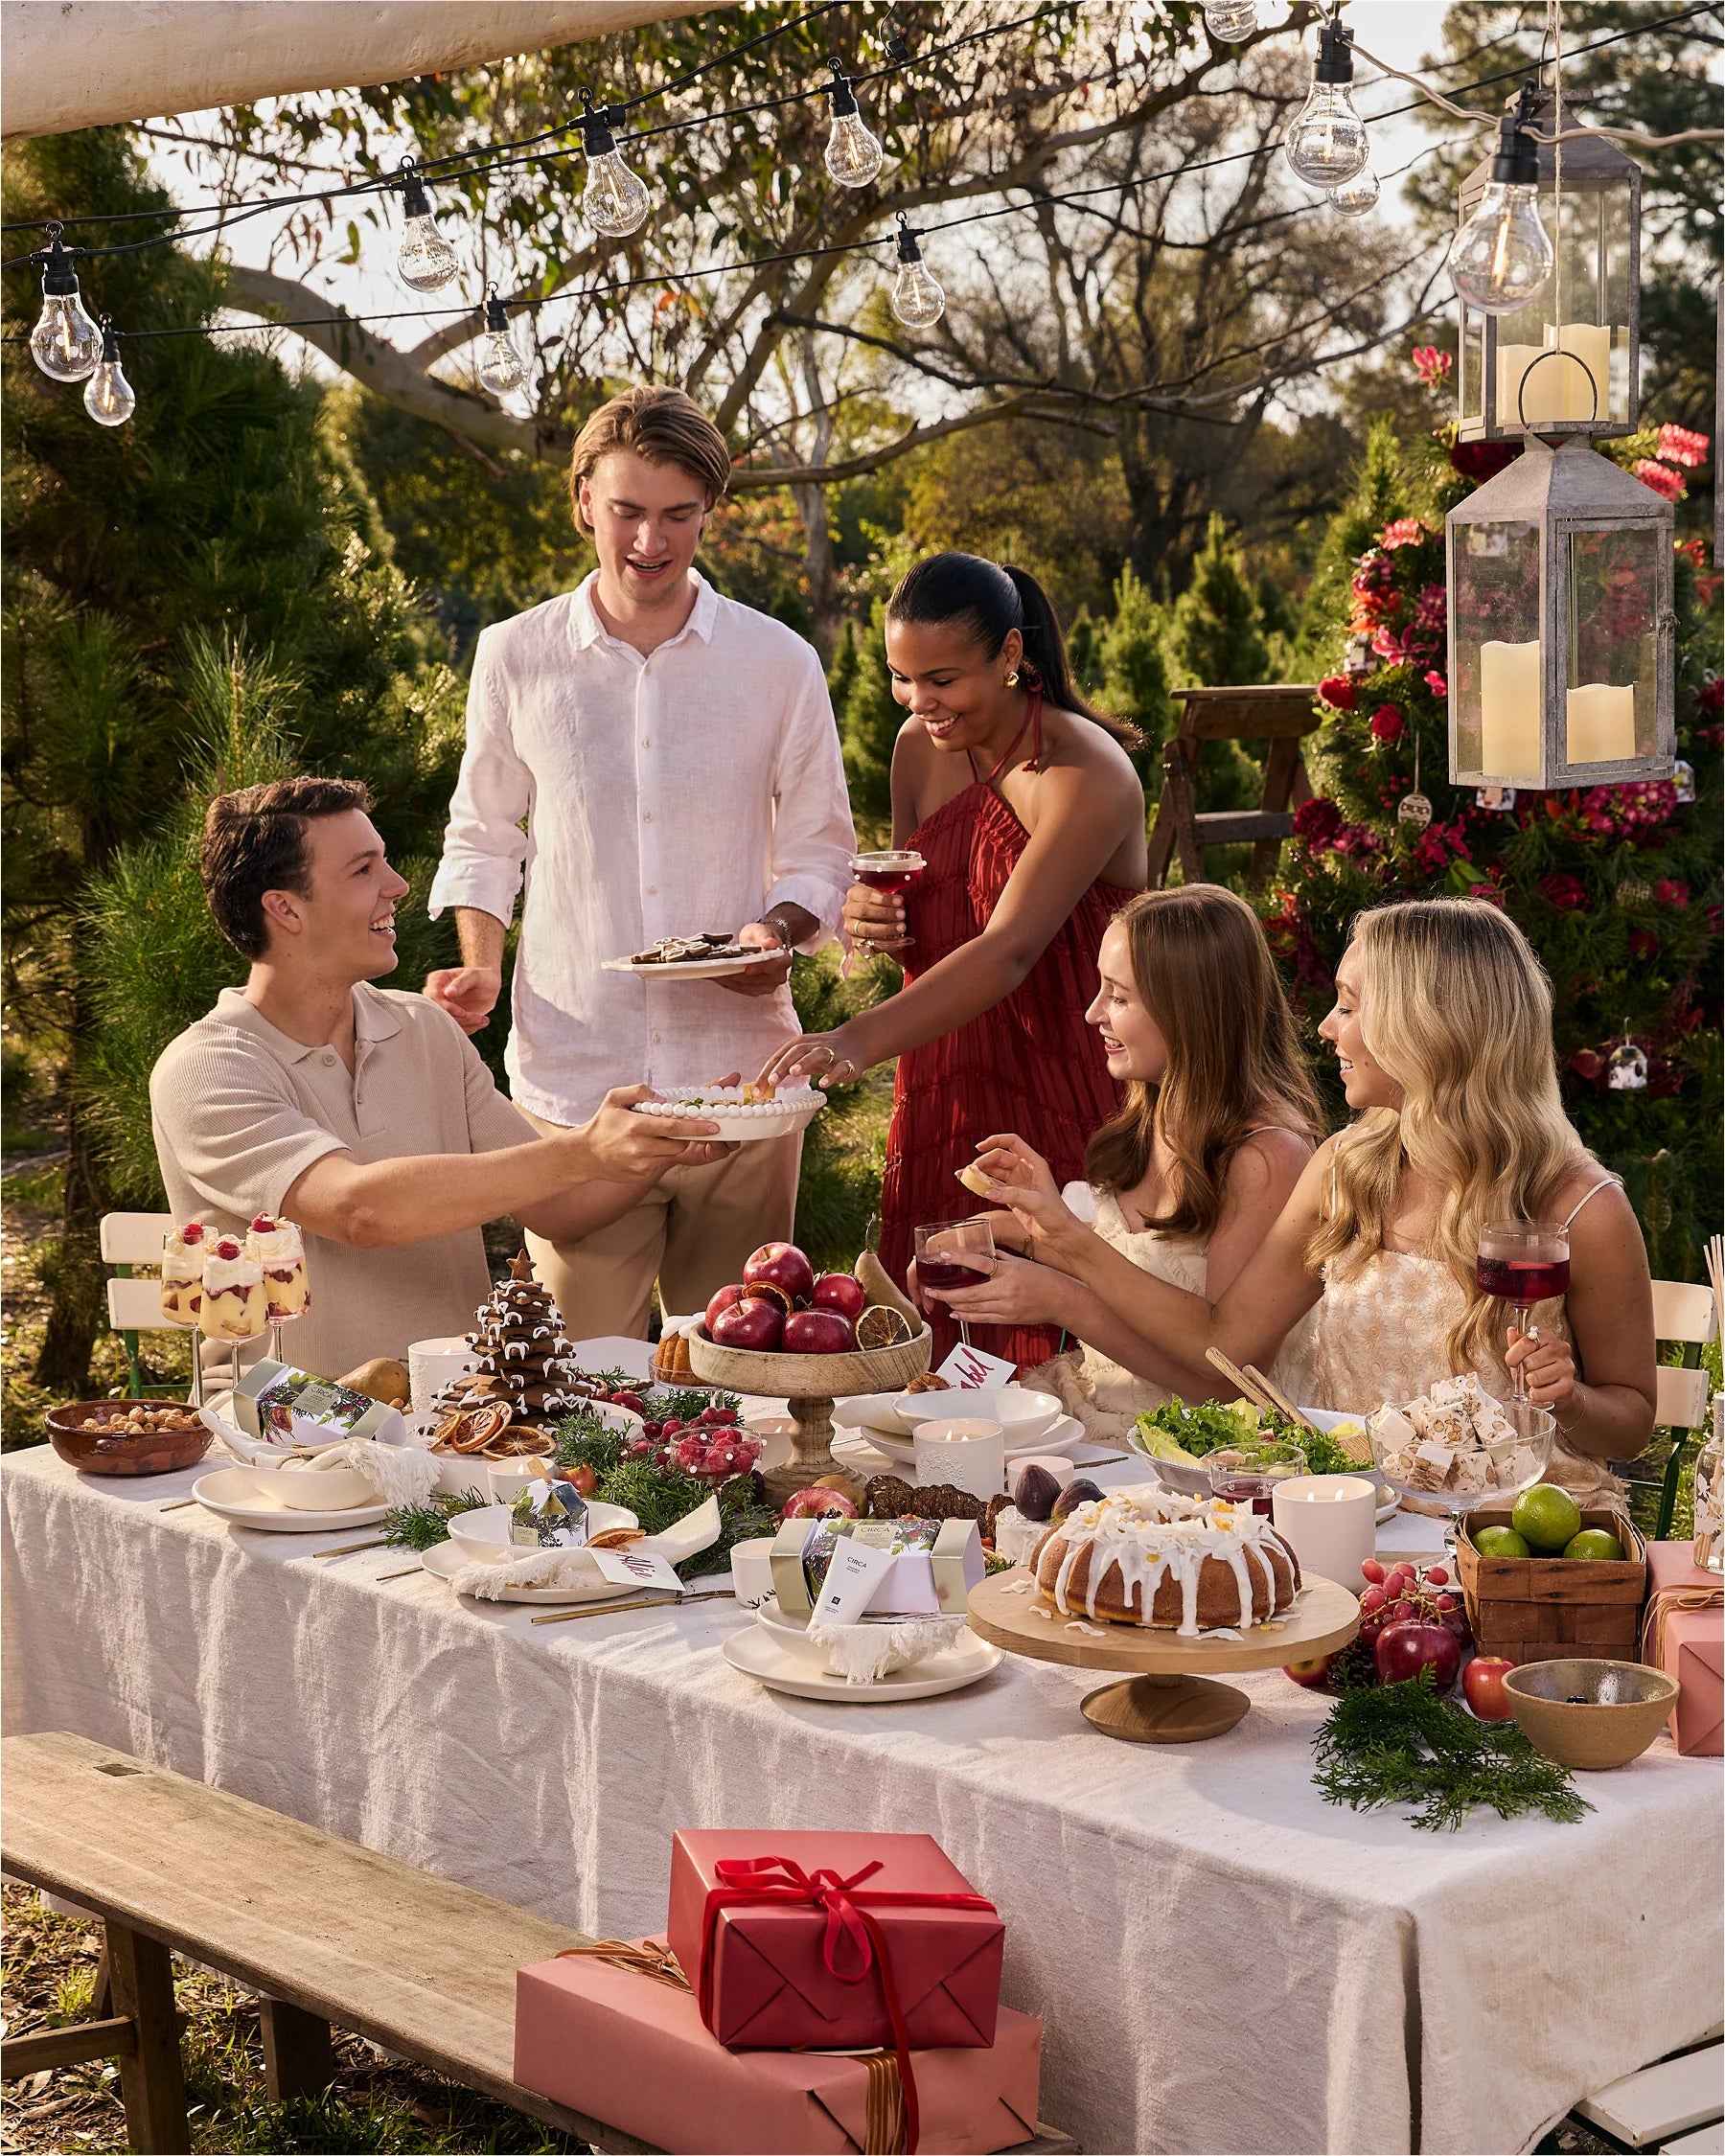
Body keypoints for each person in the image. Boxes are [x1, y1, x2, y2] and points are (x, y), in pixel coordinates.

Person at [946, 898, 1656, 1498]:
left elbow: (1630, 1421)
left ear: (1427, 1028)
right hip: (1350, 1513)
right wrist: (1060, 1242)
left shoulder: (1581, 1208)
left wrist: (1571, 1399)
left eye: (1349, 1007)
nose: (1324, 1027)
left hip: (1518, 1533)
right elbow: (1225, 1346)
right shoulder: (1345, 1170)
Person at [425, 387, 854, 1338]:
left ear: (712, 512)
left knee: (742, 1393)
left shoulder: (779, 662)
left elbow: (824, 848)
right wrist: (482, 965)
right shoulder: (514, 656)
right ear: (583, 500)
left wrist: (774, 935)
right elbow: (487, 836)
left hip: (740, 1084)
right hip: (578, 1087)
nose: (649, 542)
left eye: (676, 515)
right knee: (587, 1396)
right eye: (626, 512)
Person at [150, 778, 727, 1381]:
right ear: (286, 908)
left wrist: (665, 1138)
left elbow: (558, 1204)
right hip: (290, 1427)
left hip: (455, 1416)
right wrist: (584, 1149)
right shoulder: (206, 1069)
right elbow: (359, 1210)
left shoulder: (422, 1028)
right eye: (363, 870)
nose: (397, 886)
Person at [758, 552, 1147, 1372]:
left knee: (1061, 1343)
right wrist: (874, 917)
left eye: (941, 680)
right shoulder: (917, 750)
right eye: (902, 679)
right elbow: (919, 897)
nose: (918, 703)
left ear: (1011, 655)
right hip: (946, 1072)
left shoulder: (1086, 771)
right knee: (939, 1327)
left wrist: (858, 1039)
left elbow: (1009, 949)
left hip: (1064, 1077)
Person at [913, 887, 1322, 1438]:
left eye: (1119, 997)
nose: (1092, 1013)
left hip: (1205, 1453)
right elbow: (1138, 1260)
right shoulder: (1156, 1114)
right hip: (1100, 1409)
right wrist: (993, 1231)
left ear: (1191, 1010)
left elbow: (1229, 1387)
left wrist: (1061, 1301)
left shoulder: (1265, 1158)